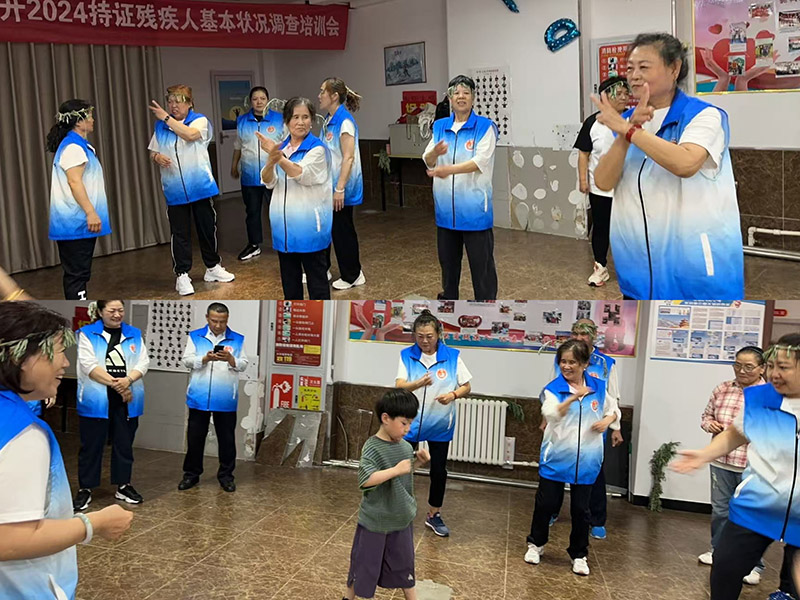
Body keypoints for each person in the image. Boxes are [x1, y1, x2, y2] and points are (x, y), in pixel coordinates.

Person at [593, 33, 744, 300]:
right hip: (638, 272)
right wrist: (626, 132)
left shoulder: (704, 115)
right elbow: (603, 181)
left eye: (644, 67)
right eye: (630, 68)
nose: (634, 76)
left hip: (695, 272)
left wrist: (630, 131)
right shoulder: (625, 121)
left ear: (674, 68)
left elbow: (685, 163)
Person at [0, 301, 132, 599]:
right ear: (20, 357)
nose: (65, 364)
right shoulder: (22, 434)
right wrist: (94, 523)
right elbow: (9, 540)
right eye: (58, 351)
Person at [672, 334, 800, 600]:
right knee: (725, 569)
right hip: (757, 504)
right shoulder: (760, 398)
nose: (774, 374)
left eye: (783, 367)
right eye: (771, 365)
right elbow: (736, 433)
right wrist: (704, 455)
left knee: (794, 581)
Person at [525, 339, 620, 576]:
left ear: (585, 364)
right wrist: (571, 398)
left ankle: (579, 554)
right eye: (563, 362)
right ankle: (536, 544)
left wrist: (607, 421)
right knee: (546, 505)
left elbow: (613, 409)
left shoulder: (598, 387)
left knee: (581, 510)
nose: (566, 367)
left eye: (572, 362)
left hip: (587, 460)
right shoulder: (553, 388)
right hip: (556, 457)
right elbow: (551, 414)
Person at [342, 389, 430, 600]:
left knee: (405, 566)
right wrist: (395, 470)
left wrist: (417, 463)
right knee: (363, 566)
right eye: (403, 423)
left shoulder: (405, 447)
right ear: (385, 418)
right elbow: (366, 480)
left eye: (411, 424)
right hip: (375, 521)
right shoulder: (372, 447)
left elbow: (403, 474)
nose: (407, 429)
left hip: (401, 518)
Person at [148, 84, 235, 296]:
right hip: (174, 189)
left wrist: (165, 118)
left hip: (200, 186)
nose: (173, 106)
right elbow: (153, 151)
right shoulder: (161, 127)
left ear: (189, 103)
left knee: (207, 228)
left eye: (178, 101)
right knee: (180, 233)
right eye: (170, 102)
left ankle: (212, 267)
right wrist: (157, 157)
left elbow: (190, 135)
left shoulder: (200, 121)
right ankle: (182, 274)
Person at [543, 319, 624, 538]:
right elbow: (550, 390)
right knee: (557, 473)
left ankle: (596, 519)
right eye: (576, 333)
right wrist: (545, 419)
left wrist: (615, 427)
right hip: (564, 428)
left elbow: (613, 399)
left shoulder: (606, 363)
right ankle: (552, 512)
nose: (579, 338)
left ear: (594, 335)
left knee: (594, 475)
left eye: (584, 334)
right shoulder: (561, 359)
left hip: (593, 430)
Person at [395, 310, 472, 537]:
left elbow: (467, 386)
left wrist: (453, 395)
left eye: (429, 336)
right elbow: (399, 385)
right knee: (402, 467)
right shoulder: (407, 355)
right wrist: (417, 383)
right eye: (420, 336)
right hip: (410, 422)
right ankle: (398, 509)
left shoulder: (452, 356)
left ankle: (434, 514)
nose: (425, 341)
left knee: (438, 471)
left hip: (440, 423)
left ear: (438, 334)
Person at [423, 75, 499, 301]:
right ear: (449, 98)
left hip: (475, 212)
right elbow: (427, 160)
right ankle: (449, 300)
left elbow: (479, 162)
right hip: (445, 212)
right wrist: (434, 153)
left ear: (473, 97)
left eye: (466, 93)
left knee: (481, 267)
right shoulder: (440, 126)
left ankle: (486, 304)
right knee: (448, 265)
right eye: (456, 93)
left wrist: (448, 169)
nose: (461, 97)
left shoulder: (485, 127)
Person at [697, 346, 767, 586]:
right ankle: (717, 551)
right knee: (720, 510)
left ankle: (754, 565)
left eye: (748, 366)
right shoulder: (723, 388)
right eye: (737, 365)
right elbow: (705, 416)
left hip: (753, 467)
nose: (741, 370)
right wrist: (709, 425)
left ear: (761, 368)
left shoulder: (768, 395)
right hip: (721, 462)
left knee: (751, 515)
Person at [73, 300, 150, 512]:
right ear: (100, 312)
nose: (117, 315)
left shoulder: (134, 333)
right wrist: (118, 385)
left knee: (124, 444)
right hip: (96, 399)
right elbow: (89, 366)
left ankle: (123, 485)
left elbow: (143, 362)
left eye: (120, 310)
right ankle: (85, 488)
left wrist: (128, 381)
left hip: (127, 399)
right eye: (112, 311)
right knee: (91, 446)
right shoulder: (86, 334)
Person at [259, 97, 333, 300]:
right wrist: (271, 162)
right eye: (295, 117)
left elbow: (300, 173)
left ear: (312, 120)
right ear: (286, 121)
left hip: (309, 228)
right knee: (290, 286)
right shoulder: (280, 148)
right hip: (283, 229)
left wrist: (277, 157)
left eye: (305, 117)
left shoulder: (317, 149)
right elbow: (268, 181)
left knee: (317, 284)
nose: (301, 122)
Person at [46, 99, 112, 300]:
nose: (93, 120)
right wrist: (91, 212)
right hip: (75, 222)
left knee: (79, 274)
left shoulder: (80, 146)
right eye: (89, 116)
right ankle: (78, 312)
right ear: (78, 121)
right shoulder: (73, 148)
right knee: (77, 276)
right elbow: (74, 182)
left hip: (78, 223)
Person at [178, 303, 247, 493]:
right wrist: (205, 359)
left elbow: (243, 364)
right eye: (214, 321)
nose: (218, 325)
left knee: (226, 440)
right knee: (195, 438)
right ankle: (191, 475)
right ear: (207, 318)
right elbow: (186, 361)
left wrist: (231, 359)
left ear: (227, 319)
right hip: (198, 397)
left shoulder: (237, 339)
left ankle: (226, 476)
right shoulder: (195, 336)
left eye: (222, 322)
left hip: (225, 398)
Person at [574, 77, 630, 287]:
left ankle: (631, 270)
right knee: (601, 227)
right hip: (600, 188)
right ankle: (600, 268)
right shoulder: (592, 123)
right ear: (605, 97)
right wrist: (583, 180)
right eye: (619, 93)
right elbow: (583, 154)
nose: (624, 97)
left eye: (626, 93)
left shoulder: (633, 119)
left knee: (628, 230)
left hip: (628, 188)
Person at [318, 77, 367, 291]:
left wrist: (339, 188)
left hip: (343, 187)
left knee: (343, 231)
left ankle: (353, 275)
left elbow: (348, 157)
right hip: (329, 187)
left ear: (334, 96)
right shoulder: (329, 119)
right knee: (329, 230)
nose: (319, 95)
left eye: (323, 91)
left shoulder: (344, 122)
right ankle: (324, 268)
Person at [231, 86, 285, 261]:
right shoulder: (242, 121)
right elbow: (238, 146)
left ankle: (283, 242)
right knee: (252, 212)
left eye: (262, 98)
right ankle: (254, 245)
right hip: (249, 176)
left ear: (268, 100)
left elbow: (288, 145)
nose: (259, 102)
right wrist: (234, 165)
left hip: (273, 175)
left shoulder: (279, 119)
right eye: (255, 99)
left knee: (277, 211)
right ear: (250, 101)